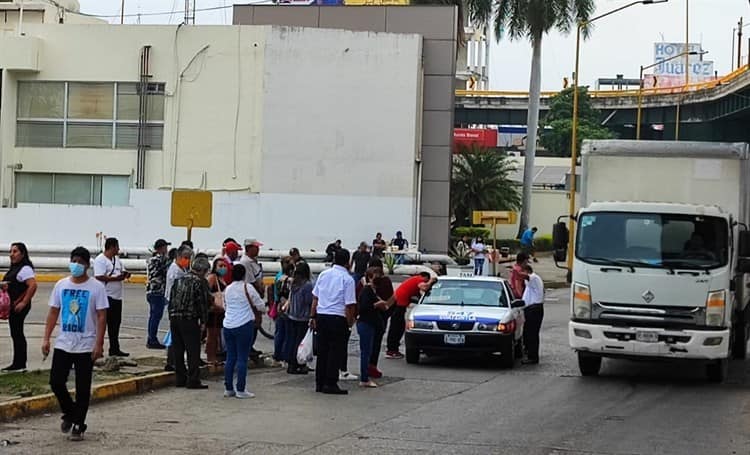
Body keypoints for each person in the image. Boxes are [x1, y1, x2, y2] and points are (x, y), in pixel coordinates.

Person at [42, 247, 108, 441]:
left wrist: (99, 343)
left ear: (87, 265)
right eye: (74, 261)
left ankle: (79, 423)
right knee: (56, 381)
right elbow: (53, 312)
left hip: (86, 344)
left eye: (80, 262)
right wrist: (46, 338)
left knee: (82, 386)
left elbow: (102, 316)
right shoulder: (61, 285)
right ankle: (70, 412)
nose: (76, 265)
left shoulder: (96, 287)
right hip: (64, 342)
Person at [310, 248, 357, 395]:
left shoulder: (324, 274)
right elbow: (349, 304)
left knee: (322, 351)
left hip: (322, 315)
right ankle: (330, 382)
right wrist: (349, 322)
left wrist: (312, 316)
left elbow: (315, 298)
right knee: (335, 351)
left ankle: (320, 382)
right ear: (348, 262)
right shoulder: (347, 279)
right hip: (338, 317)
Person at [168, 256, 212, 389]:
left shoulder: (179, 280)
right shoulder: (200, 282)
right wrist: (204, 321)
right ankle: (193, 379)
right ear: (203, 270)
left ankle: (180, 378)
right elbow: (203, 303)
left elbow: (171, 299)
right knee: (193, 350)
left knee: (178, 349)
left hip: (175, 318)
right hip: (189, 319)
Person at [222, 264, 265, 399]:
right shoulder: (248, 287)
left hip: (228, 325)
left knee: (230, 358)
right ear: (244, 275)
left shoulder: (227, 289)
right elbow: (260, 306)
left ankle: (228, 388)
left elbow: (225, 305)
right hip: (244, 324)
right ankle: (241, 389)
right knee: (242, 358)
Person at [1, 242, 38, 372]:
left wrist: (24, 302)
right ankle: (18, 362)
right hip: (13, 305)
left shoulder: (25, 268)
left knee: (17, 333)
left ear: (23, 254)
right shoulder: (15, 268)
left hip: (19, 305)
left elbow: (32, 285)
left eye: (15, 251)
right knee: (15, 333)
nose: (12, 254)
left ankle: (20, 363)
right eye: (11, 251)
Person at [93, 237, 131, 357]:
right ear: (111, 247)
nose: (118, 249)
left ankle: (114, 348)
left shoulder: (117, 260)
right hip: (105, 296)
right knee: (102, 324)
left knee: (115, 324)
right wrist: (115, 279)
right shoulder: (100, 260)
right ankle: (98, 348)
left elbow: (121, 271)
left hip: (117, 297)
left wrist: (125, 275)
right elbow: (99, 276)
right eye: (117, 247)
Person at [385, 272, 435, 359]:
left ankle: (393, 349)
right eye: (426, 280)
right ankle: (391, 350)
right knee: (397, 327)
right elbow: (424, 287)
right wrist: (430, 281)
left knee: (398, 326)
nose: (425, 282)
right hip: (399, 304)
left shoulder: (413, 281)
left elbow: (417, 297)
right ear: (425, 277)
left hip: (398, 302)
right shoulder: (419, 279)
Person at [357, 267, 389, 388]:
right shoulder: (367, 291)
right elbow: (364, 308)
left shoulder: (373, 291)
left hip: (370, 323)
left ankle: (366, 375)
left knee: (368, 351)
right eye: (375, 277)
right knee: (366, 351)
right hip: (366, 323)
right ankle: (364, 378)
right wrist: (377, 304)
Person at [164, 245, 192, 372]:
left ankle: (173, 360)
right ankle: (171, 361)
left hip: (179, 305)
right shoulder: (176, 271)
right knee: (175, 335)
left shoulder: (182, 269)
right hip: (175, 305)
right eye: (186, 258)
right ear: (179, 257)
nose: (188, 260)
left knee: (175, 335)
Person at [364, 258, 393, 379]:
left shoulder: (365, 282)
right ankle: (372, 366)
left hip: (368, 315)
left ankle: (366, 366)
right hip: (381, 315)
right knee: (376, 342)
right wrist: (386, 309)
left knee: (367, 343)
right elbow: (392, 298)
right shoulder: (386, 281)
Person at [285, 261, 314, 375]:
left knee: (293, 340)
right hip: (303, 317)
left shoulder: (293, 283)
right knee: (302, 343)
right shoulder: (307, 285)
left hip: (292, 315)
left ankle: (292, 364)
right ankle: (299, 363)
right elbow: (309, 301)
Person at [145, 239, 171, 350]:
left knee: (153, 316)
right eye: (165, 247)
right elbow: (166, 270)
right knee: (156, 316)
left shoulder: (151, 259)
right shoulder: (160, 260)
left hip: (151, 290)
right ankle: (152, 339)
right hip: (158, 291)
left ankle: (151, 338)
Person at [271, 257, 294, 367]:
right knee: (286, 333)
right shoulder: (288, 280)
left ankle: (277, 355)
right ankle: (284, 356)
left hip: (279, 305)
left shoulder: (278, 276)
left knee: (280, 332)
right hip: (286, 307)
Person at [206, 258, 229, 365]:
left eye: (224, 266)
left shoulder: (222, 279)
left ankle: (215, 355)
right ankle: (211, 357)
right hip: (213, 311)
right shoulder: (212, 278)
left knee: (216, 334)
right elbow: (207, 293)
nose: (223, 268)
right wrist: (213, 305)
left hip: (220, 310)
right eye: (220, 266)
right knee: (212, 334)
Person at [521, 265, 545, 365]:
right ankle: (529, 353)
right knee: (527, 333)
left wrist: (517, 272)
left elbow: (526, 277)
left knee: (532, 334)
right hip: (530, 309)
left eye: (523, 271)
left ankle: (533, 357)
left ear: (527, 271)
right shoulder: (530, 283)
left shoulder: (534, 278)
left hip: (534, 309)